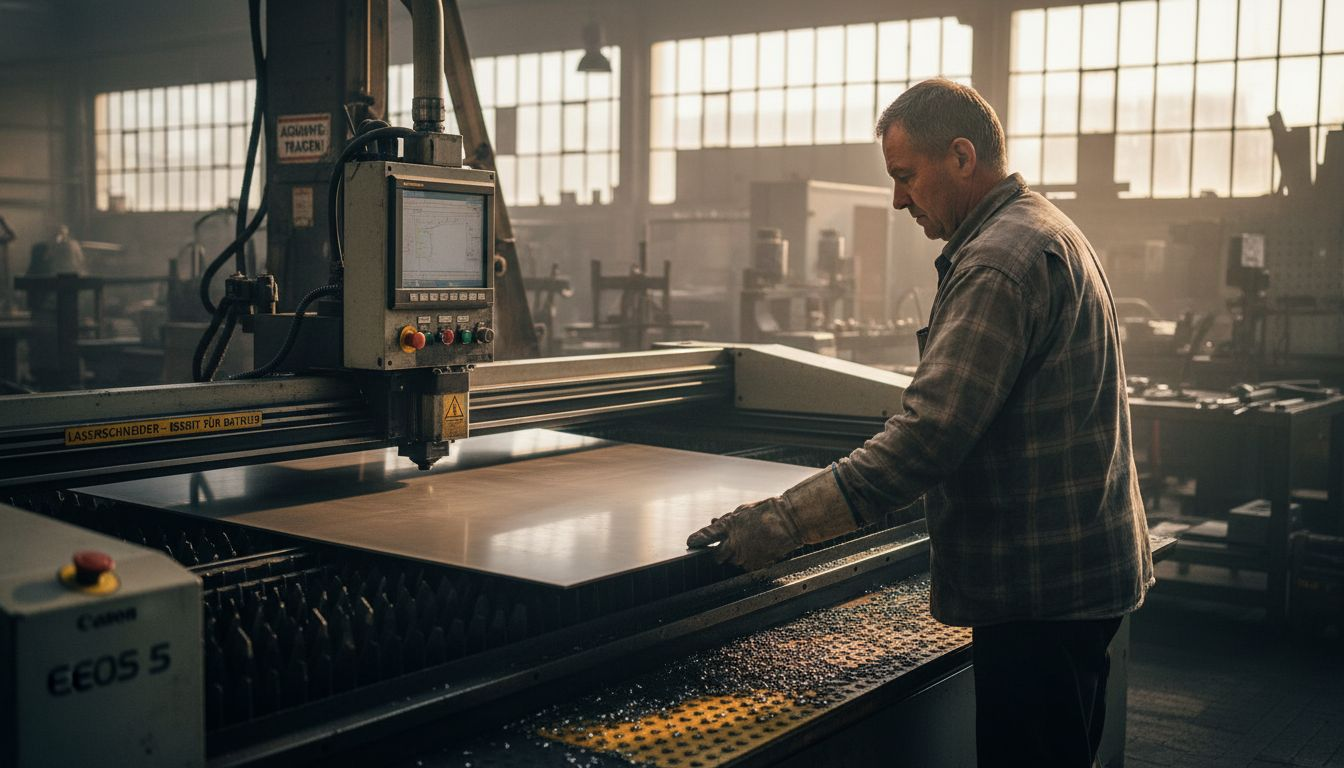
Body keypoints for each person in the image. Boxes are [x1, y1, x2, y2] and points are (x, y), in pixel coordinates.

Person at [687, 78, 1153, 767]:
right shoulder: (1044, 226)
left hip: (1038, 597)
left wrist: (781, 523)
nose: (898, 198)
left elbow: (928, 437)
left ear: (962, 157)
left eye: (905, 176)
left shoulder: (998, 260)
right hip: (1075, 577)